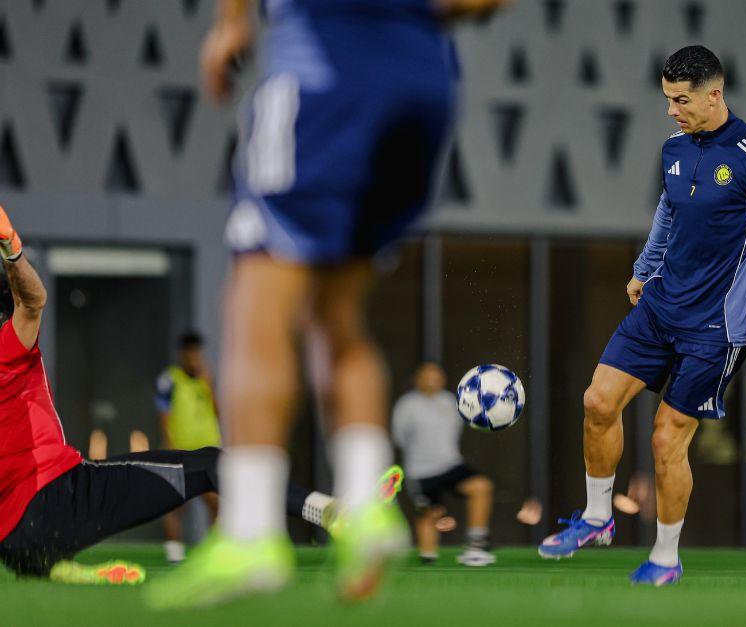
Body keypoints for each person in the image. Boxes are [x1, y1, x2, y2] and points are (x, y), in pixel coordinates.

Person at [148, 0, 511, 608]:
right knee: (336, 316)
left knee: (254, 304)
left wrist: (231, 21)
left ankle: (250, 536)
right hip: (424, 84)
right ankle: (367, 513)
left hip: (324, 70)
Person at [538, 46, 746, 586]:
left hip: (715, 328)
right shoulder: (674, 147)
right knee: (597, 402)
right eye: (667, 99)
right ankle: (598, 519)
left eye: (680, 100)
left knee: (667, 438)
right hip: (660, 307)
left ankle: (665, 558)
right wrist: (644, 268)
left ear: (714, 95)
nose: (671, 110)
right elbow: (668, 212)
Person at [0, 203, 403, 584]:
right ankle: (333, 514)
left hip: (13, 544)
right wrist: (12, 250)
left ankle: (60, 571)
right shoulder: (6, 349)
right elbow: (32, 302)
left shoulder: (196, 379)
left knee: (39, 549)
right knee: (214, 465)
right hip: (54, 498)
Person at [392, 362, 495, 566]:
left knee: (481, 487)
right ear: (417, 378)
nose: (432, 378)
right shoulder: (407, 405)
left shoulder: (451, 401)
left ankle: (476, 544)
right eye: (427, 373)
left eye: (436, 374)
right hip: (421, 472)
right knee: (429, 518)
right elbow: (399, 437)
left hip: (450, 465)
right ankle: (428, 561)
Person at [154, 331, 223, 563]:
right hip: (181, 451)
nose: (195, 357)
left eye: (198, 352)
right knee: (175, 502)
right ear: (183, 353)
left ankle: (212, 550)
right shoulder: (170, 379)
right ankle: (174, 553)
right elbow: (163, 415)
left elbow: (218, 412)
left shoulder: (207, 378)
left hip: (208, 450)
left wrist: (208, 385)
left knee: (216, 501)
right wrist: (169, 444)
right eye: (191, 352)